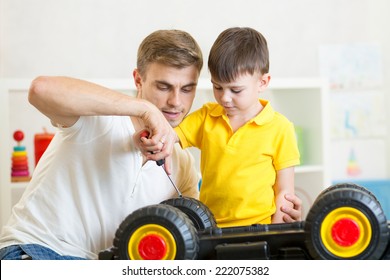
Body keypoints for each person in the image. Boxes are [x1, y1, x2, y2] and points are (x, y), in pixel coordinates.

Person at [0, 29, 301, 260]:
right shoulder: (98, 118)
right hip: (36, 251)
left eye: (187, 89)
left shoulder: (182, 165)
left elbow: (191, 231)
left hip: (96, 265)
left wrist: (278, 221)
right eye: (163, 86)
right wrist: (144, 110)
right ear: (138, 79)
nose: (176, 101)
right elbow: (41, 89)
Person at [173, 27, 301, 228]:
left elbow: (285, 190)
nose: (224, 97)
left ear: (263, 82)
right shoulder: (207, 116)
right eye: (218, 87)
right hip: (210, 227)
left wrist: (277, 234)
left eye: (236, 90)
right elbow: (172, 136)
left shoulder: (280, 128)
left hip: (260, 228)